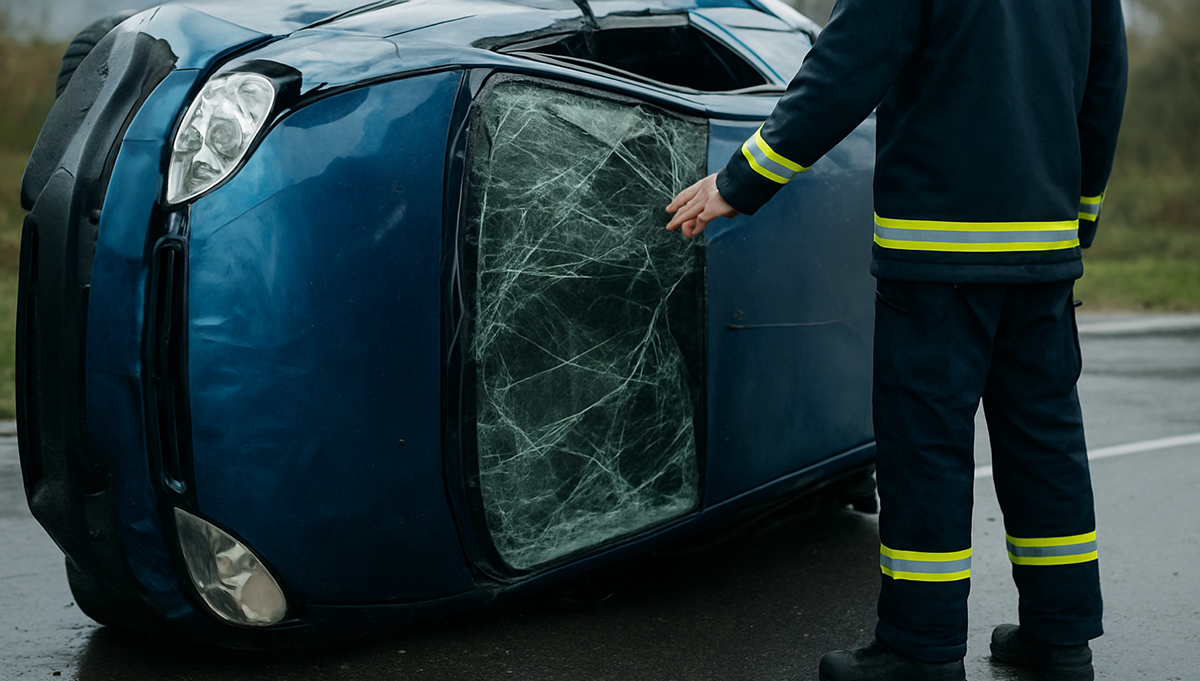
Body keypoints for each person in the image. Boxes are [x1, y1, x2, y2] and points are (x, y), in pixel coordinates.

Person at [665, 0, 1127, 679]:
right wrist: (1075, 218)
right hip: (1042, 251)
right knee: (1044, 442)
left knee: (927, 451)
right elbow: (1105, 84)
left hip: (937, 255)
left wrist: (742, 180)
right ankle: (1061, 636)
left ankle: (920, 647)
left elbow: (848, 63)